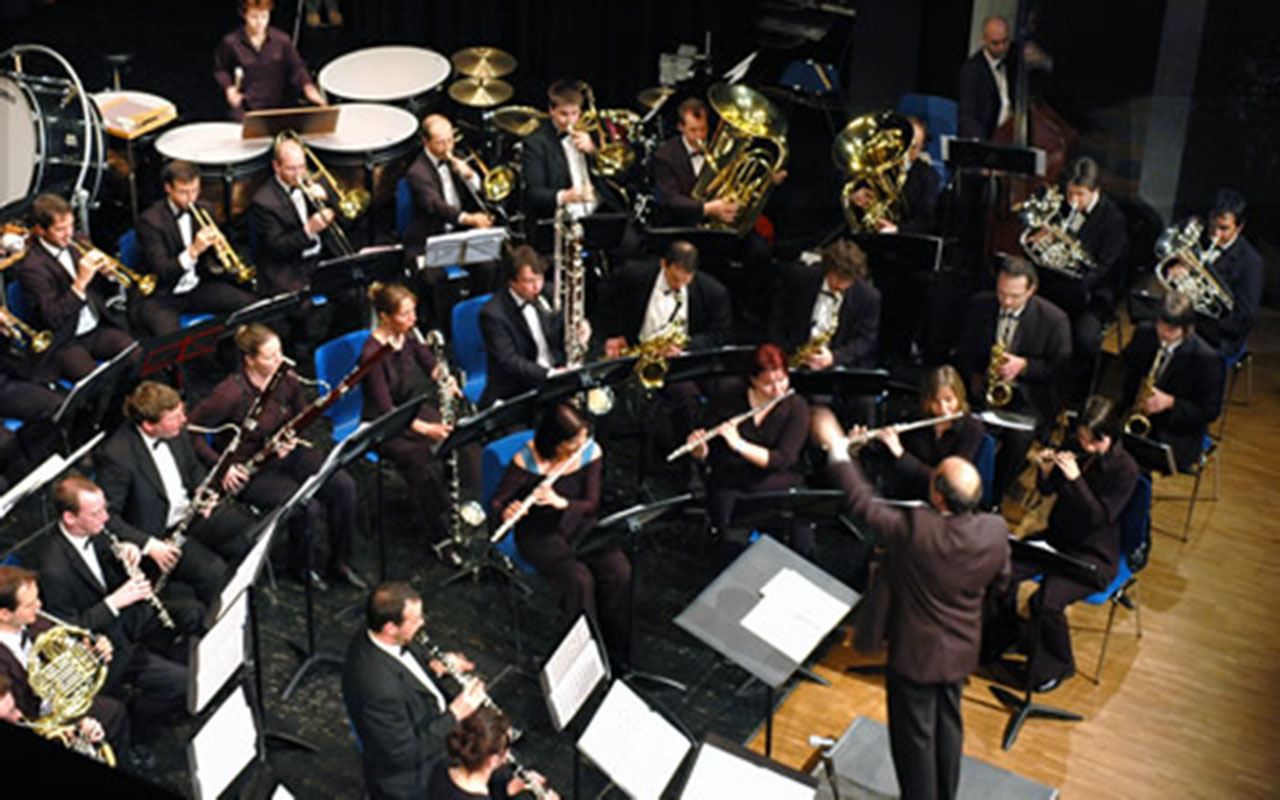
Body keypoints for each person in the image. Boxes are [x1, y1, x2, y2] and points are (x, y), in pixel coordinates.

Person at [810, 406, 1010, 800]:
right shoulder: (995, 530)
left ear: (936, 494)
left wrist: (836, 448)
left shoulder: (919, 530)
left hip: (916, 656)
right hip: (960, 651)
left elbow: (863, 503)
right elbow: (1001, 583)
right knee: (948, 729)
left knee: (914, 742)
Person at [190, 323, 365, 589]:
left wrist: (292, 435)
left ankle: (341, 562)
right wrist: (222, 467)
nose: (280, 360)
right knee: (306, 506)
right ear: (250, 361)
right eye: (270, 357)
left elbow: (300, 413)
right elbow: (192, 432)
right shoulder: (229, 393)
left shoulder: (286, 377)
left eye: (280, 352)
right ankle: (301, 569)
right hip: (250, 469)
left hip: (285, 453)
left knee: (343, 486)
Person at [985, 396, 1138, 691]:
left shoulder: (1125, 469)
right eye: (1081, 437)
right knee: (1002, 569)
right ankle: (1007, 637)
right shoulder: (1076, 446)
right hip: (1059, 539)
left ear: (1109, 437)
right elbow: (1048, 489)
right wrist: (1045, 472)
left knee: (1045, 601)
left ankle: (1055, 668)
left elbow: (1099, 517)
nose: (1084, 446)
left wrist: (1076, 479)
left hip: (1093, 554)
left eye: (1092, 442)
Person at [37, 476, 190, 738]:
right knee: (181, 683)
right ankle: (138, 729)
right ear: (70, 518)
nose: (106, 518)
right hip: (102, 649)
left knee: (190, 612)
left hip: (125, 623)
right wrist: (114, 602)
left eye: (105, 508)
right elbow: (68, 630)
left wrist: (127, 551)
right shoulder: (53, 569)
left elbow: (107, 564)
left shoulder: (96, 532)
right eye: (96, 513)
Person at [491, 404, 632, 666]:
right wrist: (507, 511)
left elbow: (591, 503)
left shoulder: (590, 452)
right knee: (579, 581)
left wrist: (561, 503)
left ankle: (616, 652)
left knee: (619, 571)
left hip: (580, 522)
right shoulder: (527, 459)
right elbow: (499, 500)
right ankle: (584, 659)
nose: (581, 444)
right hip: (539, 532)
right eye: (573, 441)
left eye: (583, 436)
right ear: (555, 442)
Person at [95, 381, 249, 604]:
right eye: (175, 417)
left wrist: (203, 491)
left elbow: (192, 468)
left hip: (188, 512)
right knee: (213, 573)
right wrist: (149, 545)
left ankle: (238, 595)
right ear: (149, 425)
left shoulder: (176, 432)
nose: (184, 420)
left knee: (243, 534)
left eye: (182, 413)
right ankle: (210, 621)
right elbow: (107, 518)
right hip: (159, 535)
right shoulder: (117, 457)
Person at [342, 582, 487, 800]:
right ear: (390, 628)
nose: (422, 623)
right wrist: (455, 714)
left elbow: (406, 661)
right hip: (410, 777)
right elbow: (405, 754)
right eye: (415, 620)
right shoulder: (378, 690)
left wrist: (434, 665)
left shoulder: (376, 634)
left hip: (428, 723)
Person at [957, 257, 1071, 507]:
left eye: (1015, 296)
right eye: (1001, 293)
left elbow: (1060, 370)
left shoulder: (1055, 320)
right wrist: (975, 376)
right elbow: (963, 349)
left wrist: (1025, 366)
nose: (1006, 302)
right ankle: (960, 488)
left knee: (1018, 440)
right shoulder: (980, 306)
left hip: (1027, 397)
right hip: (983, 388)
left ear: (1031, 290)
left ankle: (993, 496)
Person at [360, 283, 460, 562]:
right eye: (405, 314)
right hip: (383, 422)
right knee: (422, 461)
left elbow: (428, 362)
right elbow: (384, 408)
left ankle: (458, 506)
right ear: (385, 317)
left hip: (408, 410)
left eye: (413, 312)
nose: (413, 319)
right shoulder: (372, 353)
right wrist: (426, 429)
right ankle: (438, 533)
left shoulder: (407, 336)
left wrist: (444, 377)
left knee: (459, 435)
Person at [686, 344, 811, 556]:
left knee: (802, 545)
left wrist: (738, 444)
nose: (778, 389)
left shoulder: (797, 407)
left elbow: (782, 460)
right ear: (752, 380)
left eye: (782, 380)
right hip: (733, 481)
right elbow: (712, 453)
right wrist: (699, 449)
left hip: (779, 481)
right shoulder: (728, 397)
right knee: (731, 546)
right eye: (768, 384)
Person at [1024, 156, 1129, 397]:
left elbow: (1107, 267)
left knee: (1084, 337)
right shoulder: (1062, 206)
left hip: (1093, 293)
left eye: (1080, 194)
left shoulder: (1113, 220)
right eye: (1070, 193)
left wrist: (1078, 284)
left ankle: (1076, 394)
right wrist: (1041, 242)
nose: (1072, 201)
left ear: (1095, 191)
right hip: (1058, 284)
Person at [0, 566, 129, 755]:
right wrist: (71, 726)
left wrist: (94, 651)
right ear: (4, 614)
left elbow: (75, 643)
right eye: (29, 604)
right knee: (113, 713)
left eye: (37, 597)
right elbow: (17, 715)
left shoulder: (36, 620)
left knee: (118, 703)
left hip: (62, 698)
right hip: (39, 718)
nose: (40, 605)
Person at [16, 193, 136, 383]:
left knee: (135, 353)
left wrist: (109, 275)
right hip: (64, 340)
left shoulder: (79, 240)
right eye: (60, 229)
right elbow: (53, 317)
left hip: (95, 328)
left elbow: (100, 290)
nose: (69, 234)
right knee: (95, 382)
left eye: (71, 226)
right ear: (40, 230)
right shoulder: (32, 268)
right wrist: (80, 282)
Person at [131, 160, 258, 338]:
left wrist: (219, 251)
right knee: (171, 340)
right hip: (162, 296)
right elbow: (163, 271)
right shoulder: (150, 221)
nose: (191, 198)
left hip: (197, 287)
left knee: (252, 306)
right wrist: (193, 251)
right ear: (168, 188)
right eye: (184, 192)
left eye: (195, 190)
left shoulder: (205, 208)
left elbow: (211, 264)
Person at [402, 114, 495, 327]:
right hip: (427, 238)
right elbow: (434, 205)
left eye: (450, 140)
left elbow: (482, 193)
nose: (447, 147)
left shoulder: (458, 157)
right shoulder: (417, 171)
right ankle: (443, 329)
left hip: (458, 233)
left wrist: (470, 175)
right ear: (426, 142)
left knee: (488, 267)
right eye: (440, 142)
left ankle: (475, 317)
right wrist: (470, 219)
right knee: (434, 280)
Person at [1121, 291, 1223, 471]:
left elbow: (1210, 410)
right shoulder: (1145, 333)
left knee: (1134, 463)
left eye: (1172, 329)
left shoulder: (1206, 358)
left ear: (1186, 328)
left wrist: (1170, 403)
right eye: (1161, 325)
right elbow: (1124, 370)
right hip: (1134, 414)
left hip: (1174, 430)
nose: (1164, 333)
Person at [868, 365, 984, 503]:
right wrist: (863, 445)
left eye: (949, 400)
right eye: (935, 401)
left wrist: (901, 455)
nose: (943, 409)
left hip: (946, 502)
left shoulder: (971, 428)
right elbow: (886, 458)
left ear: (959, 397)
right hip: (909, 494)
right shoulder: (917, 418)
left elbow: (947, 481)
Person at [602, 239, 732, 359]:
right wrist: (614, 333)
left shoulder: (714, 292)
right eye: (675, 279)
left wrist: (684, 347)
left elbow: (720, 334)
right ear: (664, 264)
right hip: (636, 352)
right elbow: (606, 296)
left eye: (686, 281)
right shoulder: (634, 274)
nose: (679, 286)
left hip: (682, 360)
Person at [766, 238, 880, 370]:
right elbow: (777, 318)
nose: (841, 285)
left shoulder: (868, 296)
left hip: (838, 364)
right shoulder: (800, 278)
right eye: (837, 277)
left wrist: (834, 357)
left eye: (847, 280)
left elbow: (866, 340)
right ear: (827, 269)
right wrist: (784, 351)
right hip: (796, 358)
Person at [248, 135, 338, 296]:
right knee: (303, 308)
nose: (298, 174)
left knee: (354, 291)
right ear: (276, 166)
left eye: (301, 167)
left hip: (321, 257)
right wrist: (309, 230)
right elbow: (277, 248)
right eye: (291, 168)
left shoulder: (316, 181)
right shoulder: (263, 201)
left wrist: (328, 198)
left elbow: (349, 218)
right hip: (288, 267)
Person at [477, 246, 566, 408]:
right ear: (512, 282)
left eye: (540, 278)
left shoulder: (550, 293)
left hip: (556, 374)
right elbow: (510, 361)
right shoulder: (493, 314)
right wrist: (549, 374)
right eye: (529, 281)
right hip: (518, 387)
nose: (537, 286)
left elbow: (561, 330)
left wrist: (582, 327)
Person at [522, 79, 620, 224]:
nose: (570, 121)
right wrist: (565, 196)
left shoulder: (593, 132)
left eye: (575, 113)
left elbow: (616, 175)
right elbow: (533, 193)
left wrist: (593, 150)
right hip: (562, 218)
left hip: (600, 212)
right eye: (564, 114)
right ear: (551, 111)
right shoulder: (536, 142)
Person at [213, 0, 325, 120]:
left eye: (264, 16)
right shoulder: (231, 42)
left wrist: (308, 87)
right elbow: (221, 69)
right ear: (244, 15)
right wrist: (229, 88)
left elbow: (297, 68)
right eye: (254, 17)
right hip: (246, 110)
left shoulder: (281, 41)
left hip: (277, 108)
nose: (259, 22)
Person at [1193, 188, 1264, 357]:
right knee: (1147, 333)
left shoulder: (1250, 263)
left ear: (1239, 227)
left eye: (1224, 229)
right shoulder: (1199, 240)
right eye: (1212, 226)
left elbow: (1244, 319)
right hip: (1189, 321)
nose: (1215, 235)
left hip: (1220, 335)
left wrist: (1199, 320)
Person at [426, 707, 556, 800]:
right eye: (507, 747)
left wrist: (508, 790)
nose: (509, 753)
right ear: (493, 760)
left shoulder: (442, 766)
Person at [651, 97, 740, 228]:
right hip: (679, 225)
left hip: (716, 223)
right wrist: (706, 208)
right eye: (693, 130)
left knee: (758, 246)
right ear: (681, 127)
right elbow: (670, 199)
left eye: (703, 129)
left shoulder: (717, 149)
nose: (700, 136)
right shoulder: (664, 155)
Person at [846, 116, 939, 235]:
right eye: (904, 144)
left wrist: (896, 230)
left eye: (914, 147)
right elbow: (857, 197)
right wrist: (856, 198)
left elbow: (926, 222)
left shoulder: (928, 176)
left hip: (903, 242)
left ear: (921, 147)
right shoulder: (879, 168)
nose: (906, 151)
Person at [958, 15, 1016, 140]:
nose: (1001, 48)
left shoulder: (1013, 61)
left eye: (1005, 41)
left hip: (1009, 137)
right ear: (984, 40)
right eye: (995, 43)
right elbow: (968, 117)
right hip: (988, 137)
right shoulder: (972, 70)